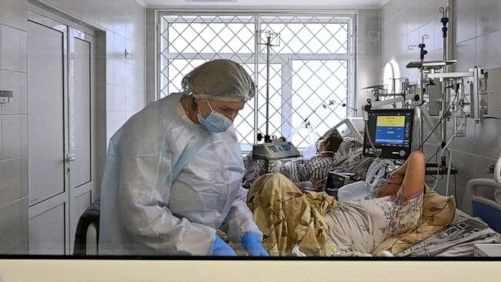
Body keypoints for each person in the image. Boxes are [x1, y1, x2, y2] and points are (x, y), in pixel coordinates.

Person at [99, 59, 269, 257]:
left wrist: (246, 230)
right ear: (198, 96)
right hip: (152, 255)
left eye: (237, 111)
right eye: (225, 109)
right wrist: (207, 244)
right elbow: (142, 214)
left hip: (196, 250)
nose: (231, 119)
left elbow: (226, 190)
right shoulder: (154, 130)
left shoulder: (219, 129)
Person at [247, 151, 455, 256]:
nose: (388, 180)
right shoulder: (377, 201)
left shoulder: (404, 212)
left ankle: (268, 254)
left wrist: (397, 175)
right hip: (315, 219)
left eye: (393, 179)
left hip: (323, 237)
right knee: (263, 186)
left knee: (274, 182)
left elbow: (417, 156)